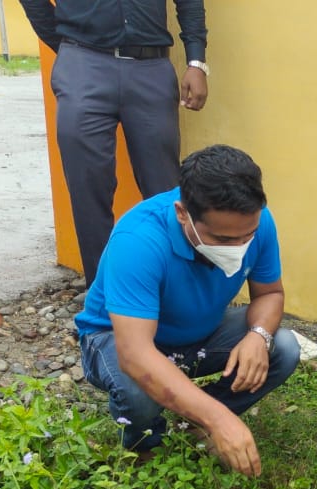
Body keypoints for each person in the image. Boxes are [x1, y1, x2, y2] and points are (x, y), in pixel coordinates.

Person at [74, 144, 299, 475]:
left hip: (198, 334)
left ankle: (192, 424)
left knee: (283, 347)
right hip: (116, 340)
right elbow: (135, 355)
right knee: (138, 388)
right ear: (183, 214)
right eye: (223, 238)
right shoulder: (139, 240)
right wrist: (219, 418)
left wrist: (258, 335)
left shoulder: (259, 222)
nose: (238, 247)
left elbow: (270, 294)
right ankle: (145, 448)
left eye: (246, 237)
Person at [19, 0, 210, 287]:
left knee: (164, 186)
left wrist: (196, 61)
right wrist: (68, 48)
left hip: (151, 67)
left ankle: (173, 286)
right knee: (88, 185)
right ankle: (104, 293)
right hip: (83, 64)